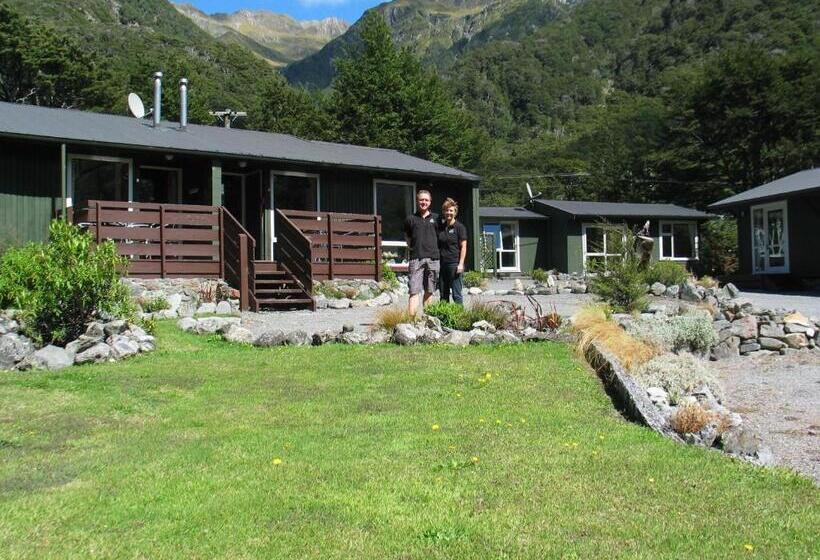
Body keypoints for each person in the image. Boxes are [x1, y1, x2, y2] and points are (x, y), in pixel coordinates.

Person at [404, 189, 439, 316]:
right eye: (421, 200)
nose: (423, 202)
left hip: (433, 259)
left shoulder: (436, 218)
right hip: (416, 259)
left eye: (426, 200)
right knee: (414, 290)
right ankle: (411, 321)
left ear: (430, 202)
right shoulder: (410, 219)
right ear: (417, 201)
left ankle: (428, 320)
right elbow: (407, 238)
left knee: (430, 290)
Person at [437, 197, 467, 305]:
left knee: (456, 294)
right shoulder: (441, 227)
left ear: (455, 212)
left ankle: (460, 319)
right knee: (443, 294)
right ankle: (444, 318)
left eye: (451, 210)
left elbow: (463, 246)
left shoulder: (460, 227)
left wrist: (461, 264)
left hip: (454, 264)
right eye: (446, 210)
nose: (448, 212)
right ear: (443, 212)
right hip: (442, 264)